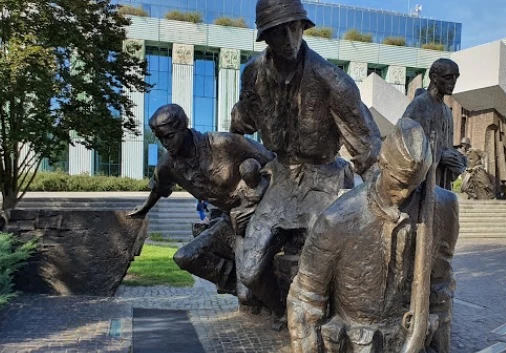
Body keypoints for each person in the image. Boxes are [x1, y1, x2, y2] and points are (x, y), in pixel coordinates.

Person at [230, 0, 381, 315]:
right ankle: (281, 312)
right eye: (278, 32)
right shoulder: (253, 75)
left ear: (303, 26)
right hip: (281, 178)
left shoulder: (332, 81)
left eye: (294, 27)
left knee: (320, 266)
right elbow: (243, 121)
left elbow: (367, 145)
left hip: (322, 179)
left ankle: (318, 323)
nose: (289, 39)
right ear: (265, 36)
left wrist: (384, 200)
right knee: (248, 276)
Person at [287, 118, 459, 353]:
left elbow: (441, 284)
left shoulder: (443, 206)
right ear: (382, 163)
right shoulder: (338, 220)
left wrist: (439, 341)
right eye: (399, 183)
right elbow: (305, 301)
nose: (405, 194)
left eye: (414, 185)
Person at [127, 104, 275, 294]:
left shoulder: (223, 143)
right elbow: (158, 188)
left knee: (252, 279)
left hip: (263, 210)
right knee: (186, 257)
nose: (165, 143)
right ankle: (241, 286)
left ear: (183, 127)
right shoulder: (168, 165)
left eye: (169, 136)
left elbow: (272, 162)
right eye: (160, 138)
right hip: (230, 220)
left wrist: (255, 196)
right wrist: (144, 209)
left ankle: (256, 293)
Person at [403, 59, 466, 190]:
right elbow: (404, 144)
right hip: (420, 187)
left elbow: (446, 147)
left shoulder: (447, 111)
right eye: (448, 77)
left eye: (456, 77)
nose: (453, 82)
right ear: (434, 77)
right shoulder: (420, 105)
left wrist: (457, 159)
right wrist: (440, 155)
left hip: (441, 183)